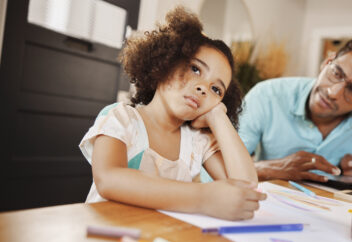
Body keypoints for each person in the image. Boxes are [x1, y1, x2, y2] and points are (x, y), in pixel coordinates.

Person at [79, 6, 266, 221]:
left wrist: (218, 117)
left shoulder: (199, 141)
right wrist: (202, 198)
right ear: (165, 62)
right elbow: (109, 179)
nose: (204, 87)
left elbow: (246, 186)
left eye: (216, 89)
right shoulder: (120, 119)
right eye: (195, 69)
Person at [238, 37, 352, 182]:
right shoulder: (267, 95)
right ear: (326, 62)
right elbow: (221, 165)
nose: (332, 92)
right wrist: (269, 169)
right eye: (336, 73)